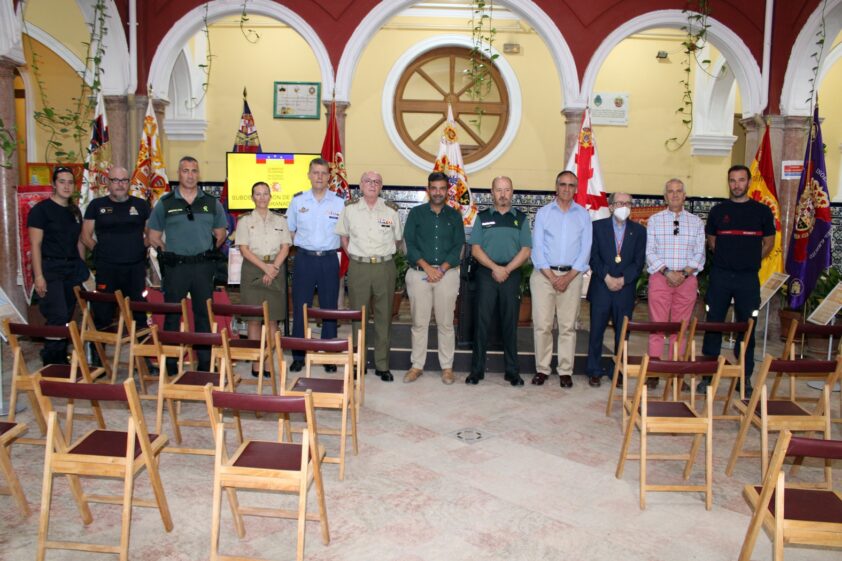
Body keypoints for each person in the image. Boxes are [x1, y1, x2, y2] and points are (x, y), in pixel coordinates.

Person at [147, 156, 227, 371]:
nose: (190, 175)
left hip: (202, 267)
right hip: (176, 267)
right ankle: (171, 364)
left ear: (198, 174)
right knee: (172, 315)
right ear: (179, 174)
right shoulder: (165, 202)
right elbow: (153, 235)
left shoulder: (212, 202)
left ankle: (204, 364)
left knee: (203, 315)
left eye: (194, 170)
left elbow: (220, 234)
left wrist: (205, 249)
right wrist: (168, 253)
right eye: (185, 171)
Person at [702, 164, 775, 396]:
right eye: (732, 180)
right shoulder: (718, 211)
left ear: (748, 182)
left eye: (741, 180)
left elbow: (769, 243)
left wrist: (749, 259)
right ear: (728, 183)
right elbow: (712, 241)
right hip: (721, 276)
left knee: (748, 328)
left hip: (748, 279)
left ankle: (744, 378)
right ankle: (707, 376)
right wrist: (729, 259)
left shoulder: (762, 212)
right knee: (714, 325)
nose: (736, 185)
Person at [336, 170, 403, 382]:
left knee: (384, 317)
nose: (372, 184)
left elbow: (398, 240)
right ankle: (359, 362)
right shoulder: (350, 209)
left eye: (377, 182)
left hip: (384, 267)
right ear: (360, 185)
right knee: (358, 317)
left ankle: (382, 365)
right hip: (360, 268)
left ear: (381, 186)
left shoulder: (391, 210)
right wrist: (356, 257)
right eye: (368, 181)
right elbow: (343, 238)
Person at [466, 176, 532, 387]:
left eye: (507, 190)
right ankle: (476, 371)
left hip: (511, 275)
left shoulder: (520, 219)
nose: (503, 194)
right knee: (481, 323)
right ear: (492, 193)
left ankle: (512, 371)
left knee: (510, 323)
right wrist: (495, 268)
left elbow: (526, 250)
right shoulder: (482, 217)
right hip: (486, 274)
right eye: (499, 190)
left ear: (512, 192)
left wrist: (507, 269)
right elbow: (475, 249)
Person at [402, 171, 466, 385]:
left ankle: (447, 367)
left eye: (441, 188)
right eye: (434, 188)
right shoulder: (416, 214)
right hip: (420, 274)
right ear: (428, 190)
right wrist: (428, 268)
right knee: (419, 323)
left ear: (447, 190)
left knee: (446, 323)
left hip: (447, 276)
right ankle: (417, 366)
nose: (438, 192)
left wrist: (442, 268)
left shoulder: (454, 215)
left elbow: (459, 245)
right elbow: (409, 244)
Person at [530, 171, 592, 388]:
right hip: (543, 277)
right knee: (543, 325)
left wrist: (568, 277)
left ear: (576, 189)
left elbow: (585, 250)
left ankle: (565, 370)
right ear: (556, 187)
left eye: (571, 185)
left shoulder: (583, 215)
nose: (566, 188)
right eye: (563, 184)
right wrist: (552, 277)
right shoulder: (543, 213)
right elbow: (537, 248)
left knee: (567, 326)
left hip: (572, 277)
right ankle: (542, 369)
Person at [286, 157, 345, 373]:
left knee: (329, 309)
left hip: (329, 259)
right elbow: (290, 230)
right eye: (315, 172)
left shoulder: (339, 203)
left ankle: (329, 355)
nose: (319, 177)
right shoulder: (298, 201)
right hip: (304, 259)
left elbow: (345, 232)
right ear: (309, 175)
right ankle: (299, 355)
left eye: (323, 173)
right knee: (301, 308)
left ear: (329, 176)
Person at [28, 166, 90, 365]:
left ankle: (60, 353)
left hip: (71, 270)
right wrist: (38, 276)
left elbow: (78, 241)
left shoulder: (74, 211)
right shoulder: (41, 211)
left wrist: (82, 269)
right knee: (57, 314)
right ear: (54, 185)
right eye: (62, 181)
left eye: (70, 182)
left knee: (67, 315)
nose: (66, 185)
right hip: (50, 269)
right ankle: (52, 359)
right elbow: (35, 245)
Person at [586, 192, 646, 388]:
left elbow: (639, 262)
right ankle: (594, 370)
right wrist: (607, 277)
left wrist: (623, 279)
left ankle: (618, 370)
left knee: (623, 334)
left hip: (625, 289)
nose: (624, 206)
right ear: (611, 206)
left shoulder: (638, 231)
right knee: (596, 332)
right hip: (602, 286)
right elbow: (593, 257)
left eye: (628, 203)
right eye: (620, 203)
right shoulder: (597, 227)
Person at [81, 166, 151, 332]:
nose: (120, 184)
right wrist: (100, 252)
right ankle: (99, 355)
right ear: (107, 182)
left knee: (139, 315)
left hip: (135, 269)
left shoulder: (141, 205)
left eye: (124, 180)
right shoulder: (96, 205)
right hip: (107, 269)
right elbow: (85, 236)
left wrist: (138, 248)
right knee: (102, 314)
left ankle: (142, 355)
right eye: (115, 180)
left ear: (129, 183)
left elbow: (151, 234)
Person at [234, 181, 291, 377]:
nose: (262, 197)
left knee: (273, 320)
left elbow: (285, 247)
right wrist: (264, 268)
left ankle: (269, 362)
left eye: (265, 193)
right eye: (257, 194)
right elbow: (243, 249)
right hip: (252, 269)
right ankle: (256, 363)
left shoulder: (280, 220)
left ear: (270, 196)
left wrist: (273, 267)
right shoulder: (244, 220)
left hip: (276, 268)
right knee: (254, 320)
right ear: (252, 198)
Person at [645, 178, 705, 360]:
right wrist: (667, 272)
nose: (675, 194)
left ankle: (675, 371)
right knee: (657, 325)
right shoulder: (654, 220)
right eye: (671, 191)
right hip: (660, 277)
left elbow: (700, 253)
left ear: (684, 196)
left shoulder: (696, 222)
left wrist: (684, 273)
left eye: (679, 191)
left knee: (681, 328)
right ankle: (654, 368)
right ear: (665, 197)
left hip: (686, 280)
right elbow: (649, 251)